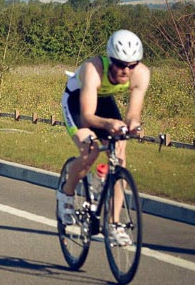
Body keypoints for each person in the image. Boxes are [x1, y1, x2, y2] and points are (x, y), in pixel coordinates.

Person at [57, 29, 150, 246]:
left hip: (104, 100)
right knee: (89, 150)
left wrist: (134, 126)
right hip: (77, 100)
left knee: (120, 154)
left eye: (131, 65)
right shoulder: (93, 69)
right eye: (119, 64)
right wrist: (110, 124)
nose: (125, 70)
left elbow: (133, 114)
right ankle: (66, 194)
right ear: (110, 59)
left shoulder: (142, 73)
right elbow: (88, 116)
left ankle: (114, 223)